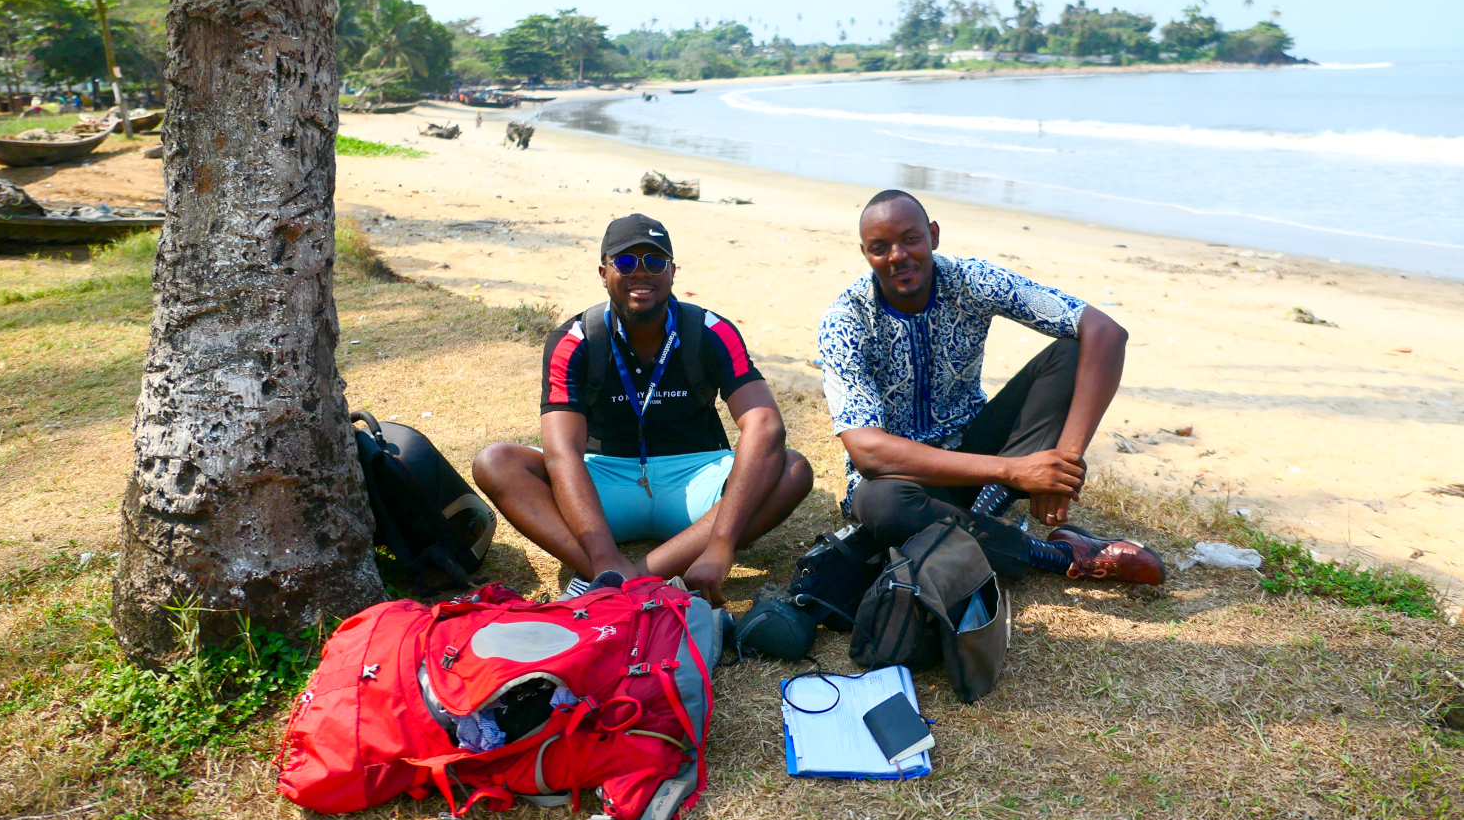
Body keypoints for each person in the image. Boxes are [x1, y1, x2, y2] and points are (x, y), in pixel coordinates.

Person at [817, 190, 1163, 584]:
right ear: (865, 253)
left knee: (1070, 354)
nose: (897, 256)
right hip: (906, 481)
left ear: (933, 235)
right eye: (880, 248)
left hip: (977, 458)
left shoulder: (971, 280)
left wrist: (1059, 469)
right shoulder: (846, 320)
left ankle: (983, 514)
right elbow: (868, 452)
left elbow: (1105, 331)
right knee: (879, 504)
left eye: (910, 239)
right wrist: (1014, 471)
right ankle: (1056, 554)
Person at [474, 213, 814, 604]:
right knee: (496, 461)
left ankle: (635, 578)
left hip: (698, 480)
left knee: (792, 468)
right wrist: (603, 557)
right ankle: (608, 573)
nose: (641, 273)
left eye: (654, 262)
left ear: (672, 272)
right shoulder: (575, 339)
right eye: (625, 262)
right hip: (605, 483)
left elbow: (765, 425)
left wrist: (721, 543)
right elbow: (561, 453)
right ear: (603, 273)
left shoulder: (710, 330)